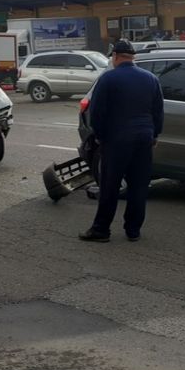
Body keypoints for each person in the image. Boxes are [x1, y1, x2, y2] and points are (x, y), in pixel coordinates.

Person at [79, 39, 163, 242]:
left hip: (117, 139)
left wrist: (99, 135)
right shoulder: (151, 78)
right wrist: (154, 135)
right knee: (139, 185)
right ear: (132, 57)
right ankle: (133, 230)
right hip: (144, 138)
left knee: (110, 186)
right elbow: (158, 112)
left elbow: (97, 113)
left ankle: (101, 230)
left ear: (115, 56)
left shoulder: (108, 79)